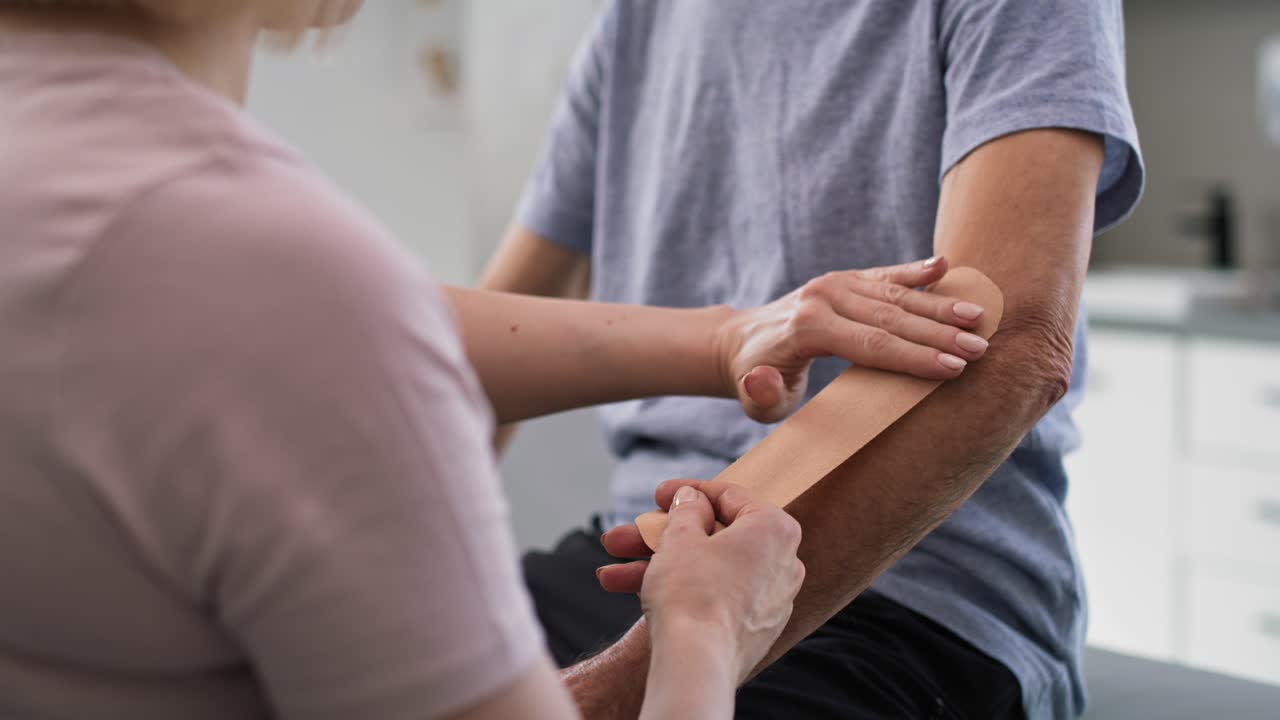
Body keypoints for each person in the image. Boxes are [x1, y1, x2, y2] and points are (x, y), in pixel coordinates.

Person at [0, 2, 991, 718]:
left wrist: (727, 338)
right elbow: (325, 329)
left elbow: (350, 327)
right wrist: (701, 633)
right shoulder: (288, 280)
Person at [484, 1, 1146, 718]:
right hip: (631, 560)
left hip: (907, 599)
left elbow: (1004, 349)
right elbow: (459, 363)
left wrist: (619, 689)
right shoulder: (641, 16)